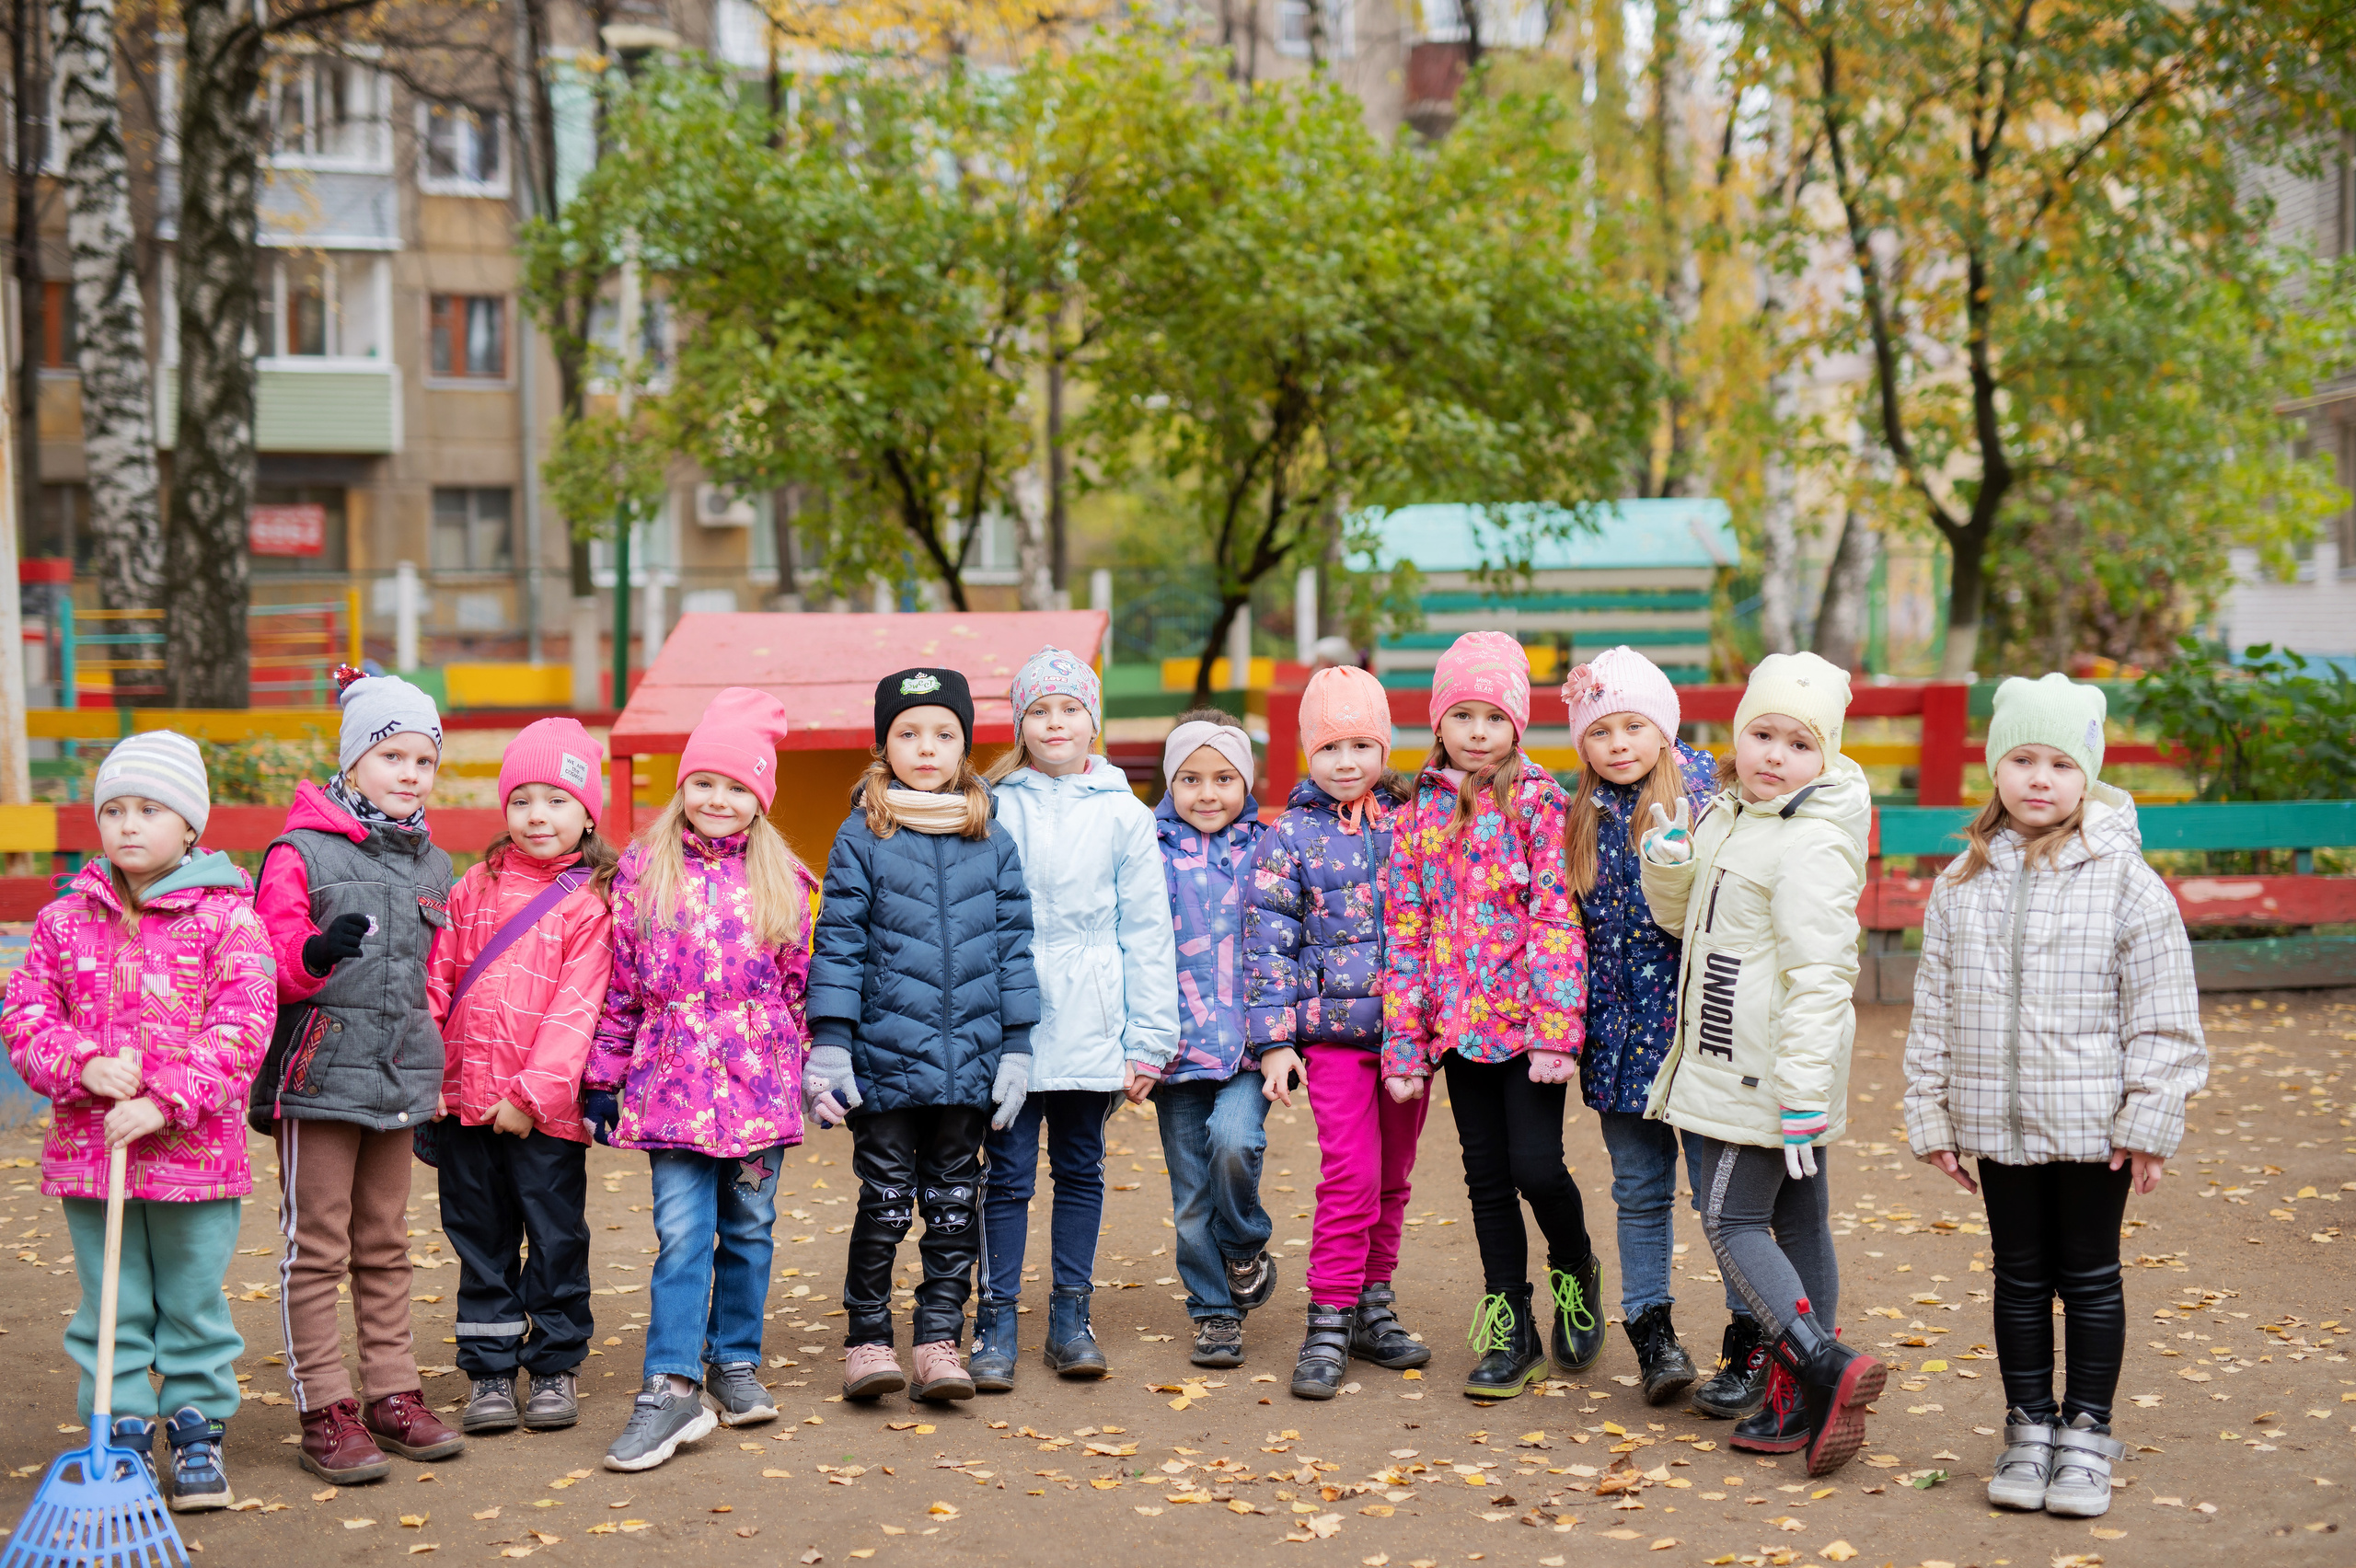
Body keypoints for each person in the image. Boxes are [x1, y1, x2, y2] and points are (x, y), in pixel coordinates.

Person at [1901, 674, 2206, 1519]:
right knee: (2018, 1277)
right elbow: (1934, 1007)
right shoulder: (1959, 883)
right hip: (1997, 1124)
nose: (2041, 778)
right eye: (2023, 759)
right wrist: (1932, 1112)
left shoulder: (2128, 883)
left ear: (2090, 775)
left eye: (2062, 763)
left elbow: (2165, 1016)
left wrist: (2150, 1119)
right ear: (1996, 770)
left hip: (2090, 1126)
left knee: (2092, 1276)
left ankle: (2086, 1433)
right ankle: (2028, 1426)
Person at [1, 733, 273, 1510]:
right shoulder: (64, 920)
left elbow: (242, 1026)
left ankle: (195, 1425)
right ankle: (118, 1419)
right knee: (111, 1295)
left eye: (149, 810)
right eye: (114, 809)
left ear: (189, 826)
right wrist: (80, 1063)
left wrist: (164, 1100)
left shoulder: (229, 920)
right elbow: (26, 1012)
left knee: (190, 1297)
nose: (127, 825)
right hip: (93, 1156)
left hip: (195, 1158)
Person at [1637, 651, 1877, 1477]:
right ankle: (1799, 1395)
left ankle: (1823, 1363)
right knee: (1801, 1221)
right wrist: (1670, 863)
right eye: (1761, 735)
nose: (1775, 755)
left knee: (1730, 1218)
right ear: (1737, 738)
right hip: (1739, 1060)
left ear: (1830, 757)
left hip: (1765, 1075)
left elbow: (1824, 976)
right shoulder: (1730, 815)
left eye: (1799, 744)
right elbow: (1687, 927)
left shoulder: (1811, 842)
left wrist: (1802, 1092)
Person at [583, 689, 815, 1471]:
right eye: (706, 782)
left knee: (748, 1230)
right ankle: (670, 1381)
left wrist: (815, 1073)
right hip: (670, 1087)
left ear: (760, 799)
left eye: (738, 787)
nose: (719, 799)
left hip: (759, 1092)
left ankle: (734, 1359)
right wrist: (603, 1077)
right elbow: (620, 987)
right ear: (684, 786)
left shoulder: (786, 878)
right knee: (682, 1234)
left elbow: (801, 988)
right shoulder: (645, 873)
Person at [251, 668, 466, 1483]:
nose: (410, 774)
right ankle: (324, 1406)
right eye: (392, 756)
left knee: (385, 1242)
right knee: (317, 1246)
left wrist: (433, 1053)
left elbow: (434, 974)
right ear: (352, 761)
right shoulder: (298, 851)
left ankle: (391, 1392)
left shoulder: (433, 867)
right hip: (317, 1075)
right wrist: (312, 956)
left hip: (398, 1075)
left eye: (424, 760)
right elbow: (267, 960)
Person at [806, 669, 1040, 1404]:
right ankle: (867, 1339)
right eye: (908, 733)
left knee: (952, 1203)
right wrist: (832, 1041)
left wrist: (1018, 1046)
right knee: (882, 1200)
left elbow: (1013, 947)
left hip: (968, 1061)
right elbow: (839, 941)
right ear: (885, 745)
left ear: (966, 745)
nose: (926, 747)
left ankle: (940, 1340)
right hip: (882, 1061)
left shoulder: (991, 839)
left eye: (943, 733)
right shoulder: (862, 834)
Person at [1385, 633, 1600, 1401]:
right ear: (1438, 723)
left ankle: (1574, 1264)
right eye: (1462, 715)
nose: (1478, 731)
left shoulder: (1541, 803)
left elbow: (1555, 918)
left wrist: (1554, 1029)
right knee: (1484, 1177)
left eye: (1494, 716)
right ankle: (1512, 1321)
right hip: (1457, 1032)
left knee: (1535, 1166)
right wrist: (1406, 1042)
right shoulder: (1417, 818)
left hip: (1529, 1032)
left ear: (1518, 724)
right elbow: (1406, 932)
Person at [977, 649, 1179, 1385]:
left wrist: (1149, 1039)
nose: (1055, 722)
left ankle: (1070, 1316)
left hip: (1095, 1016)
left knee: (1080, 1169)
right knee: (1004, 1173)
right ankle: (994, 1321)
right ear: (1020, 724)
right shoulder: (995, 805)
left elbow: (1147, 931)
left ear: (1093, 720)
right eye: (1039, 710)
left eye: (1070, 709)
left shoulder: (1126, 816)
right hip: (1012, 1021)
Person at [426, 718, 617, 1439]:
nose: (538, 816)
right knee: (479, 1239)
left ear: (587, 813)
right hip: (463, 1107)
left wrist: (531, 1097)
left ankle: (556, 1364)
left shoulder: (589, 900)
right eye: (523, 800)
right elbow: (437, 977)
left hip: (542, 1114)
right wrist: (434, 1079)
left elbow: (578, 1008)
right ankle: (490, 1372)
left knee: (555, 1237)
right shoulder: (471, 888)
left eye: (557, 800)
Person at [1245, 665, 1428, 1401]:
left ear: (1385, 747)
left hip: (1407, 1041)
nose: (1346, 762)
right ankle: (1329, 1313)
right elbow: (1268, 943)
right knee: (1351, 1176)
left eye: (1361, 744)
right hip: (1333, 1041)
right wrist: (1277, 1041)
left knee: (1392, 1180)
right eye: (1330, 748)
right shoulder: (1288, 836)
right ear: (1306, 755)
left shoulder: (1417, 824)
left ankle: (1372, 1306)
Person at [1560, 647, 1729, 1409]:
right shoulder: (1581, 813)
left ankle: (1748, 1333)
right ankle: (1653, 1333)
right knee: (1638, 1189)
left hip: (1694, 1041)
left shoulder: (1705, 803)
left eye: (1634, 726)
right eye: (1601, 732)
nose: (1618, 744)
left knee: (1719, 1194)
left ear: (1663, 730)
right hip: (1618, 1040)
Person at [1150, 711, 1277, 1368]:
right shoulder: (1149, 847)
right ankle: (1215, 1313)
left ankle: (1246, 1242)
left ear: (1245, 781)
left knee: (1234, 1141)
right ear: (1171, 783)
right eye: (1191, 779)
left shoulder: (1270, 846)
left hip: (1250, 1043)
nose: (1208, 793)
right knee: (1190, 1193)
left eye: (1224, 778)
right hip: (1176, 1047)